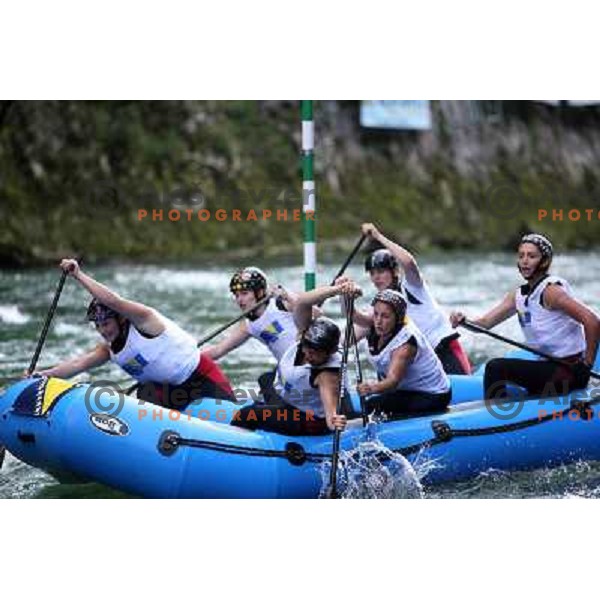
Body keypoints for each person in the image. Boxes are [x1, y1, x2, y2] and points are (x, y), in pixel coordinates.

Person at [34, 259, 235, 410]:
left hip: (202, 379)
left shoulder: (144, 321)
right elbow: (77, 365)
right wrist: (41, 376)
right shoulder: (109, 350)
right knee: (145, 391)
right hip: (168, 392)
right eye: (98, 326)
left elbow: (114, 302)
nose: (103, 331)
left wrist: (78, 275)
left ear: (120, 319)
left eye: (106, 323)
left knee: (234, 423)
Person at [450, 233, 600, 399]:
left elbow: (592, 321)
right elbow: (485, 323)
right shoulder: (518, 296)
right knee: (497, 367)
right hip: (547, 367)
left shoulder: (551, 292)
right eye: (521, 255)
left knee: (495, 367)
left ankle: (497, 419)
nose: (525, 261)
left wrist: (586, 365)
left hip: (569, 370)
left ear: (544, 262)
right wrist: (464, 321)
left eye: (532, 256)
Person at [232, 282, 354, 435]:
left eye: (315, 353)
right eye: (307, 348)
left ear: (330, 352)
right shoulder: (305, 334)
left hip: (310, 420)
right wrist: (337, 289)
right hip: (293, 402)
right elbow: (303, 302)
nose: (309, 355)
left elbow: (330, 417)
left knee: (246, 414)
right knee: (266, 379)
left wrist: (336, 421)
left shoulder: (327, 376)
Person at [349, 223, 471, 375]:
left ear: (394, 271)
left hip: (444, 351)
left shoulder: (412, 286)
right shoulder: (378, 307)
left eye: (381, 271)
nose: (376, 278)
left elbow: (408, 262)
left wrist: (378, 236)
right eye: (372, 273)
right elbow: (349, 337)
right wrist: (344, 300)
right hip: (422, 365)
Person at [204, 266, 311, 397]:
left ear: (260, 293)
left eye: (244, 293)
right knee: (265, 381)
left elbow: (317, 313)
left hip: (312, 364)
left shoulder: (282, 304)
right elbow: (218, 350)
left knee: (267, 381)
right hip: (290, 370)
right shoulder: (248, 325)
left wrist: (288, 297)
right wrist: (188, 357)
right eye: (236, 295)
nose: (239, 300)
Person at [356, 288, 452, 417]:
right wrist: (346, 298)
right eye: (376, 314)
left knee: (371, 406)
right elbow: (353, 316)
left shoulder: (405, 343)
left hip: (432, 394)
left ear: (398, 318)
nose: (378, 321)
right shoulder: (378, 325)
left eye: (385, 316)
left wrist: (370, 388)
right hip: (408, 389)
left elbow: (393, 381)